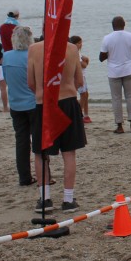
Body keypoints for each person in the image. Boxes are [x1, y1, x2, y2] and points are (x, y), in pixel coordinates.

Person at [27, 34, 86, 211]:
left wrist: (42, 91)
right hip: (67, 101)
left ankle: (45, 198)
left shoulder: (34, 49)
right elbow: (79, 81)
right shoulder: (72, 48)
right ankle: (68, 199)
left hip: (44, 102)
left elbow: (31, 83)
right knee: (68, 153)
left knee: (41, 153)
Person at [3, 25, 38, 186]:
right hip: (33, 102)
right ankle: (44, 174)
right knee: (38, 140)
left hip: (16, 103)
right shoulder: (32, 55)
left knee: (21, 141)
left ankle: (24, 176)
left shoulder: (7, 57)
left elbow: (6, 78)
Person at [99, 16, 131, 134]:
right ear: (124, 24)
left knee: (116, 98)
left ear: (112, 26)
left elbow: (101, 57)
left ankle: (119, 126)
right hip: (128, 70)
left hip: (113, 72)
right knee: (130, 97)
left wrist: (111, 54)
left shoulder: (107, 38)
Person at [69, 35, 91, 123]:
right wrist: (86, 61)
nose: (81, 44)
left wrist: (85, 60)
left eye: (81, 43)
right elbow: (84, 65)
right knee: (83, 94)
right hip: (78, 76)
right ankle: (79, 114)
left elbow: (85, 62)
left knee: (86, 94)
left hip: (82, 75)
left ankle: (86, 114)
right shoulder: (74, 53)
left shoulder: (78, 53)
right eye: (78, 43)